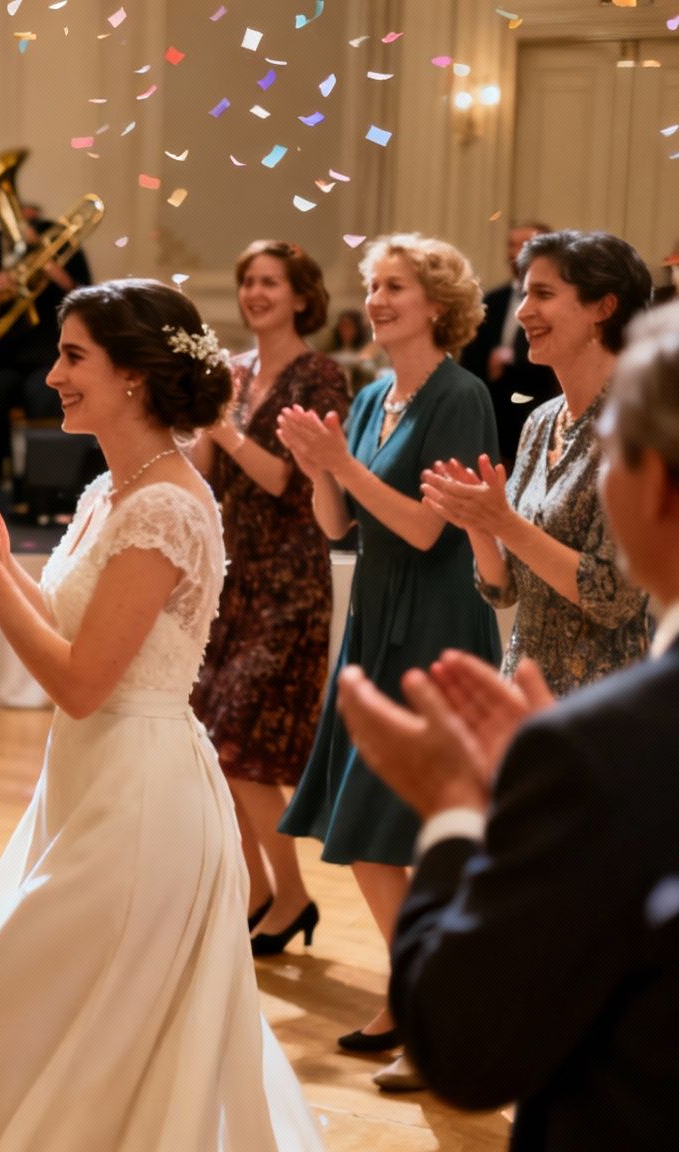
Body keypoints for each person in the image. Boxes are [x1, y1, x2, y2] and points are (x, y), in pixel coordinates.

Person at [0, 278, 321, 1149]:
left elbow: (81, 682)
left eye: (73, 356)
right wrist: (4, 566)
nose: (51, 376)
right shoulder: (106, 494)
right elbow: (66, 638)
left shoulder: (165, 505)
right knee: (64, 1043)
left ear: (133, 376)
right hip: (89, 781)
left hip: (140, 800)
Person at [333, 300, 679, 1148]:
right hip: (534, 668)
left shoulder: (613, 749)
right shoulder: (536, 427)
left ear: (658, 484)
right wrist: (490, 531)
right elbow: (502, 589)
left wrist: (457, 812)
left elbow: (470, 1045)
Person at [274, 233, 501, 1081]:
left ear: (436, 305)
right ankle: (425, 992)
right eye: (372, 286)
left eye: (395, 286)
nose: (376, 300)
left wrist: (339, 465)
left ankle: (428, 996)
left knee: (388, 826)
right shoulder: (372, 398)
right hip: (374, 624)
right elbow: (339, 528)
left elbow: (422, 526)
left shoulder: (461, 395)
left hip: (437, 626)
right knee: (367, 827)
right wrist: (317, 468)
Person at [189, 241, 351, 943]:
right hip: (232, 576)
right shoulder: (233, 370)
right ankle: (259, 893)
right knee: (213, 741)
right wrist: (199, 421)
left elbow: (284, 478)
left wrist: (222, 428)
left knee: (236, 742)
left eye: (270, 282)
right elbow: (206, 471)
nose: (255, 293)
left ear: (301, 296)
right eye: (247, 280)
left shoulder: (322, 375)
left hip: (290, 580)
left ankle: (291, 896)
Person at [423, 230, 653, 693]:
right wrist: (476, 522)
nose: (524, 311)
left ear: (604, 308)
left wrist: (502, 522)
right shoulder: (541, 421)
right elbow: (503, 587)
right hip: (527, 692)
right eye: (525, 293)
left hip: (601, 705)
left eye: (543, 294)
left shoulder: (637, 427)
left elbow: (611, 596)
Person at [0, 201, 94, 506]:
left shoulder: (62, 246)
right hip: (1, 355)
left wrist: (48, 265)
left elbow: (86, 296)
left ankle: (44, 490)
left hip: (47, 355)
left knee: (45, 395)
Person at [459, 221, 558, 463]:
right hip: (494, 422)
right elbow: (470, 360)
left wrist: (514, 361)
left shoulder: (559, 302)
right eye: (511, 245)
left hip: (539, 417)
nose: (514, 253)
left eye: (524, 245)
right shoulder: (492, 300)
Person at [325, 307, 390, 395]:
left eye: (349, 327)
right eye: (342, 326)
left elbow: (372, 368)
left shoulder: (369, 349)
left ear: (357, 328)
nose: (345, 331)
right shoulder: (331, 348)